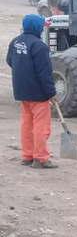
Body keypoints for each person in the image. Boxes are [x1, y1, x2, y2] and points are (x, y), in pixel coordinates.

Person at [6, 14, 57, 169]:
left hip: (22, 91)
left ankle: (27, 156)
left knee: (27, 124)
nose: (42, 28)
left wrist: (23, 71)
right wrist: (51, 93)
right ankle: (41, 158)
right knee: (41, 126)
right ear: (37, 28)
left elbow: (10, 61)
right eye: (41, 26)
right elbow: (45, 73)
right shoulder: (39, 46)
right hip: (38, 94)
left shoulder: (15, 42)